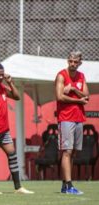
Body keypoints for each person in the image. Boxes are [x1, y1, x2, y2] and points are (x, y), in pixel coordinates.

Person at [0, 63, 34, 195]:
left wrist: (10, 83)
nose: (0, 77)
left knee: (12, 155)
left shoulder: (2, 87)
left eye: (2, 74)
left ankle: (18, 188)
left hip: (4, 130)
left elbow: (17, 96)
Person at [55, 51, 88, 195]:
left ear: (80, 62)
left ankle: (64, 185)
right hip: (66, 118)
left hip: (79, 117)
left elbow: (86, 96)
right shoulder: (61, 75)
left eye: (75, 62)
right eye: (70, 61)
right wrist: (78, 100)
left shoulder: (81, 76)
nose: (73, 64)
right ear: (67, 61)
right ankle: (69, 185)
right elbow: (59, 96)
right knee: (67, 151)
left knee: (73, 153)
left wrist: (74, 89)